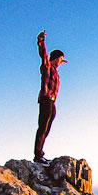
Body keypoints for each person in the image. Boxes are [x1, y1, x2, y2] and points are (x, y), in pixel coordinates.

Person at [34, 30, 67, 164]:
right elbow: (43, 55)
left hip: (52, 102)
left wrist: (60, 61)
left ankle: (41, 153)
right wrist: (41, 41)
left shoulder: (55, 71)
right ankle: (38, 156)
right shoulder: (47, 67)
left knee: (47, 127)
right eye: (59, 59)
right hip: (46, 99)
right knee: (42, 127)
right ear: (55, 58)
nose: (60, 62)